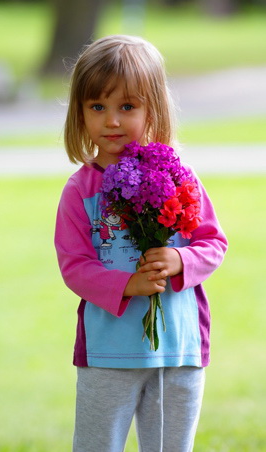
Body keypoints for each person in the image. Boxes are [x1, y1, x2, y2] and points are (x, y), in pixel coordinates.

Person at [54, 35, 228, 452]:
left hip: (178, 352)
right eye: (98, 107)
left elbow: (213, 242)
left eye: (127, 107)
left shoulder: (179, 176)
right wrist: (126, 285)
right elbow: (74, 265)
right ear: (80, 113)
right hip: (108, 353)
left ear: (154, 108)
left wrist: (180, 259)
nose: (111, 121)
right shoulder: (81, 190)